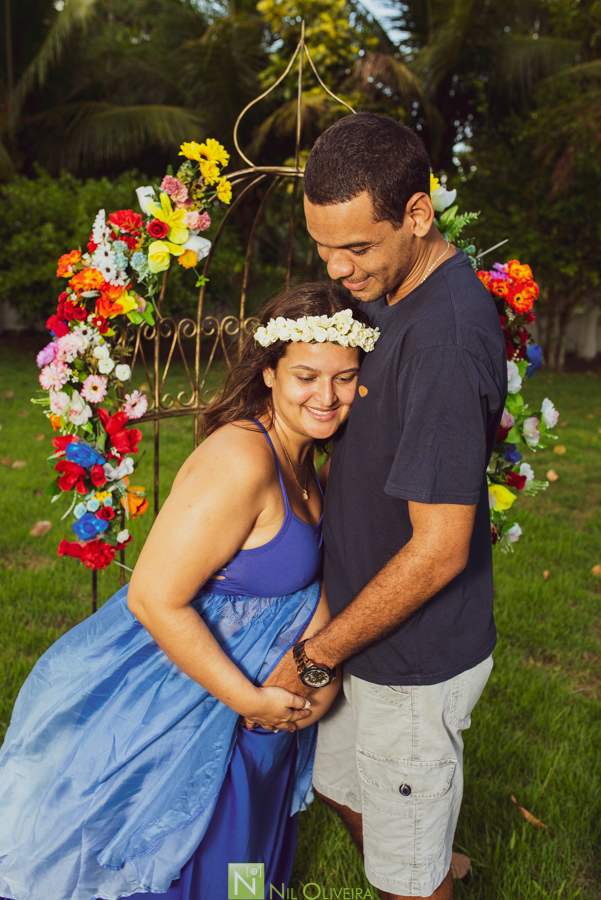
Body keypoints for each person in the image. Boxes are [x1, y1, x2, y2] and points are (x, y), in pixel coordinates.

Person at [0, 282, 380, 900]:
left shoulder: (306, 454)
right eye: (307, 376)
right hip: (195, 695)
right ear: (269, 373)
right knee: (181, 856)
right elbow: (153, 597)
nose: (327, 396)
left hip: (261, 705)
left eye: (345, 378)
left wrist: (317, 671)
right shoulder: (240, 461)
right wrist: (249, 701)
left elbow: (319, 575)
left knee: (247, 864)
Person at [263, 113, 508, 900]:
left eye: (356, 248)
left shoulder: (440, 337)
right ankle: (430, 853)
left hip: (411, 657)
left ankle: (421, 874)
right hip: (365, 635)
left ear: (416, 214)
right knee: (339, 786)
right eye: (323, 246)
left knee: (403, 878)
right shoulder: (395, 292)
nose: (337, 269)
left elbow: (437, 550)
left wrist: (316, 655)